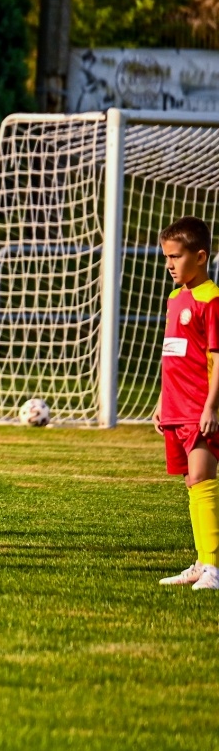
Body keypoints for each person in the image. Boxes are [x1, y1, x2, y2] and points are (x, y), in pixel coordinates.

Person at [153, 216, 219, 590]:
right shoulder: (175, 299)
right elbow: (171, 354)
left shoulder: (211, 300)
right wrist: (162, 400)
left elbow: (217, 355)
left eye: (175, 257)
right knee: (190, 484)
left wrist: (211, 406)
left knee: (202, 478)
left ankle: (212, 567)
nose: (169, 265)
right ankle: (201, 562)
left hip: (199, 407)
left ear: (200, 256)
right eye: (166, 257)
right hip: (176, 407)